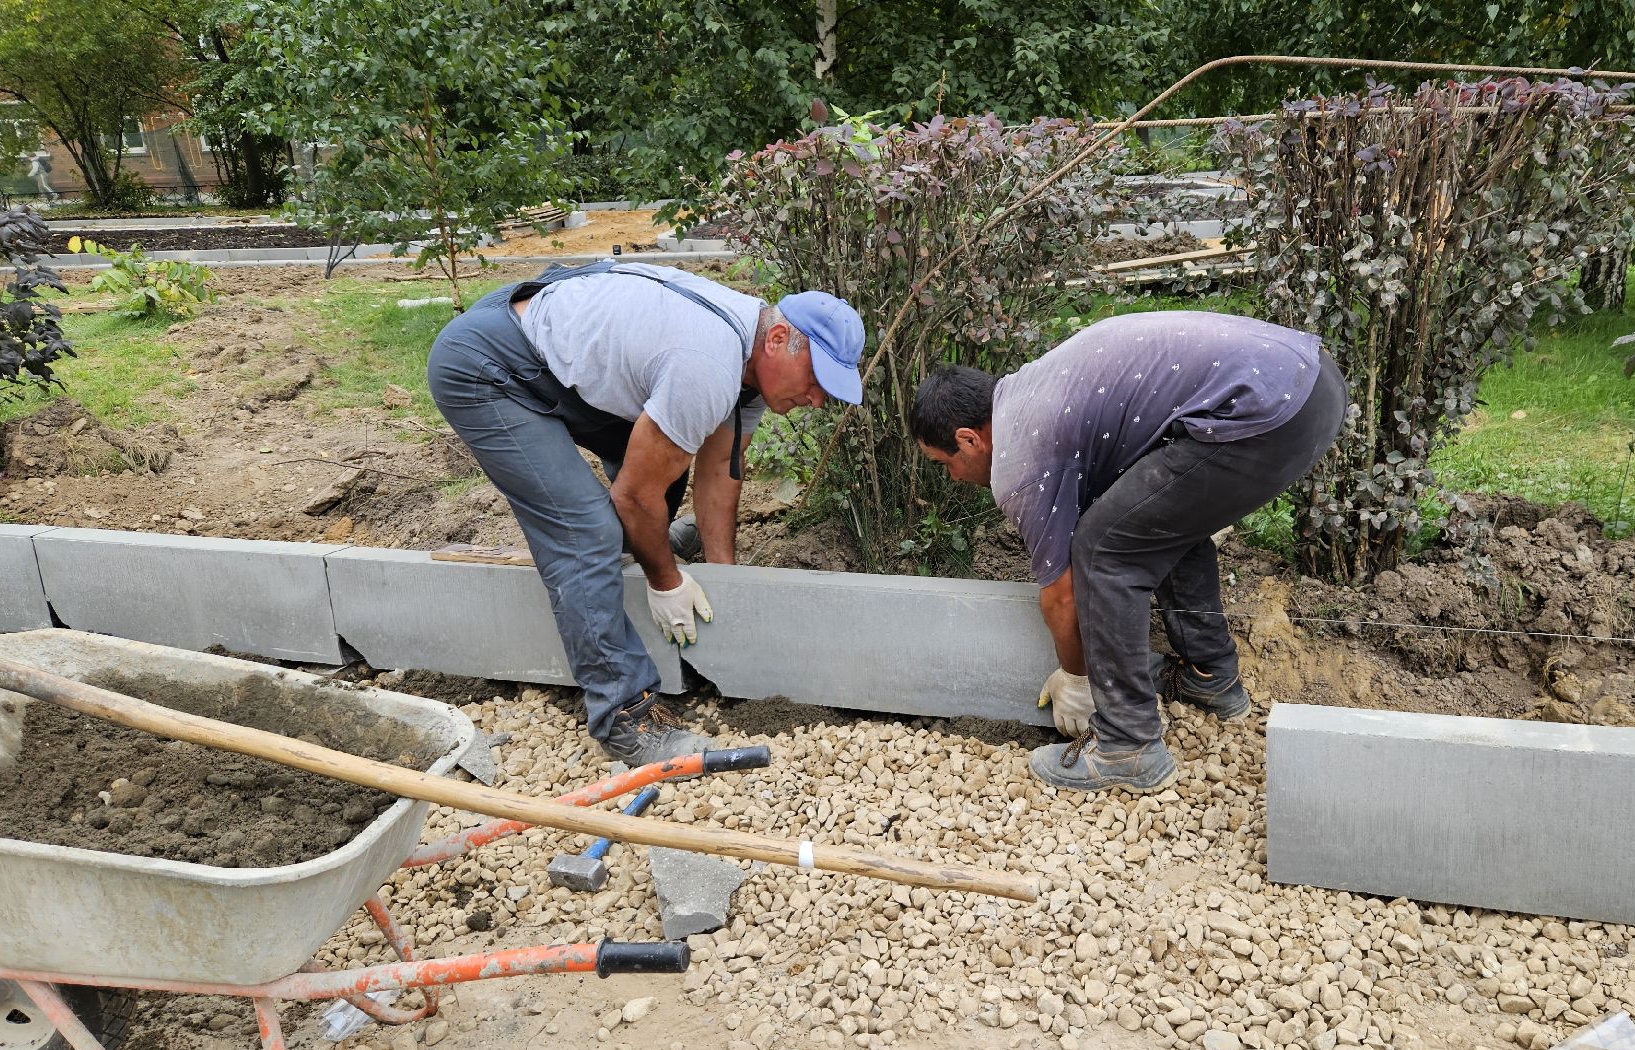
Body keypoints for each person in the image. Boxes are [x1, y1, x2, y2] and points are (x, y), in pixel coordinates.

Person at [429, 261, 864, 766]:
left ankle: (633, 552)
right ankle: (625, 717)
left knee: (666, 467)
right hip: (490, 368)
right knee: (585, 533)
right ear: (778, 339)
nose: (816, 399)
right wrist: (665, 582)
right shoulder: (707, 366)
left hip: (552, 343)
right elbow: (634, 497)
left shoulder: (751, 367)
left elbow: (719, 469)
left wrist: (724, 581)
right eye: (816, 379)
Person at [912, 311, 1345, 792]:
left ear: (969, 439)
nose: (952, 477)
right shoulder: (1031, 393)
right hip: (1308, 379)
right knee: (1148, 519)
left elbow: (1062, 594)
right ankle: (1210, 677)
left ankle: (1127, 745)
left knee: (1104, 550)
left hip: (1269, 411)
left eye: (944, 463)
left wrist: (1076, 679)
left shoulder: (1020, 458)